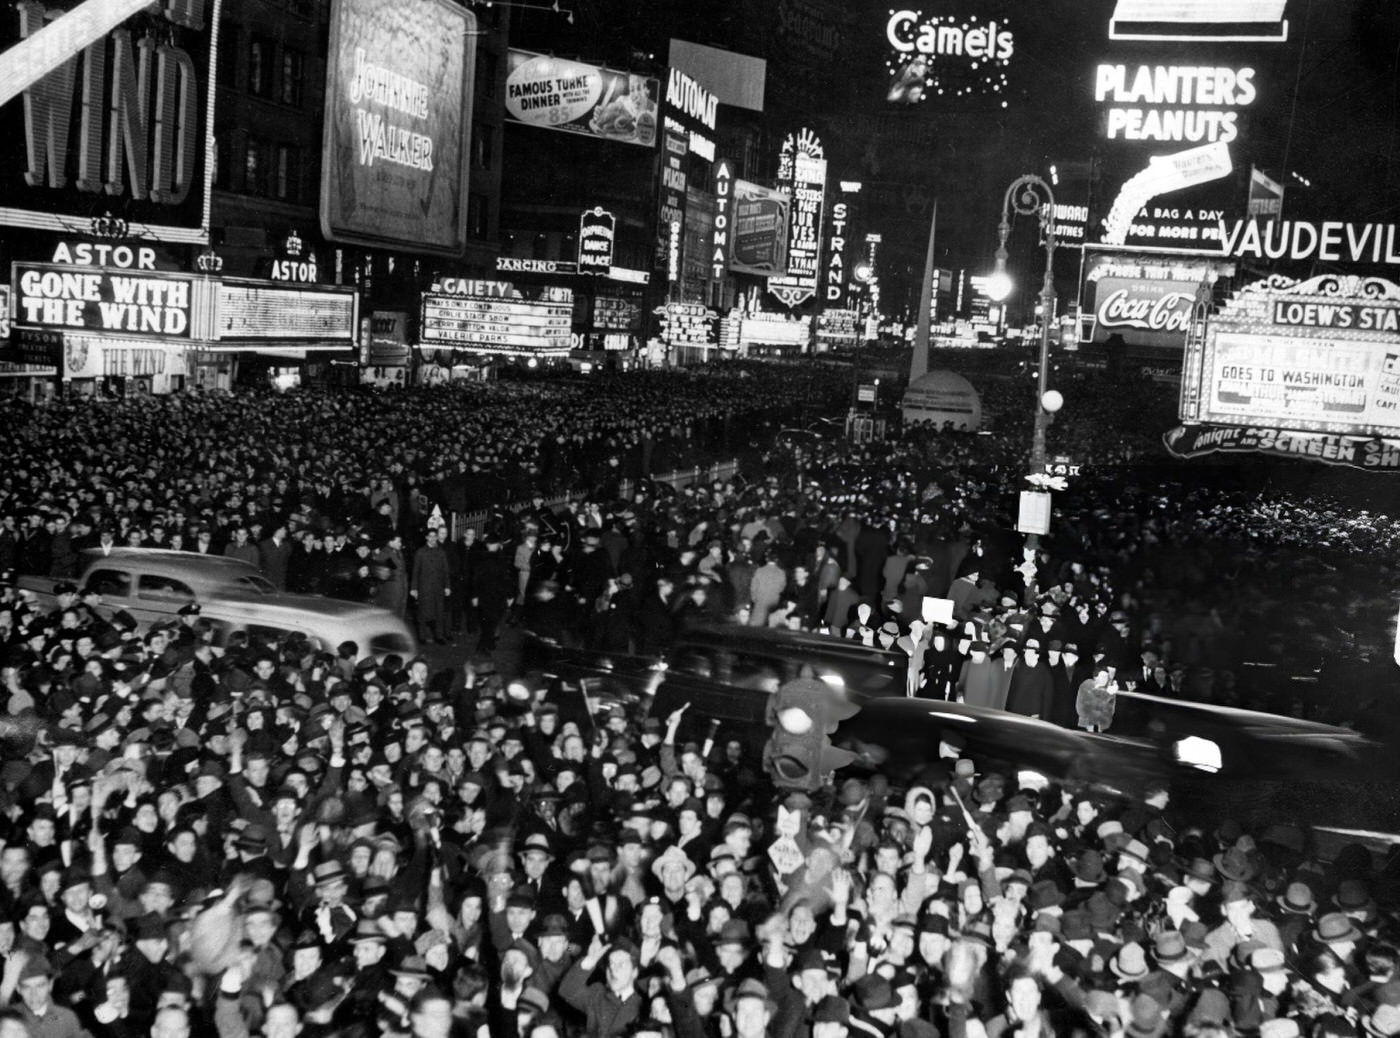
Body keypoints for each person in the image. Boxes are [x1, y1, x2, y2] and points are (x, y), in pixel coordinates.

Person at [411, 528, 453, 645]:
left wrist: (447, 586)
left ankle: (438, 636)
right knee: (423, 612)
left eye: (435, 536)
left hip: (438, 587)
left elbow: (445, 571)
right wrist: (414, 588)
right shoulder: (420, 552)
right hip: (424, 587)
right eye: (430, 536)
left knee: (439, 612)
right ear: (426, 537)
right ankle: (422, 636)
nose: (433, 538)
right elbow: (415, 571)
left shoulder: (441, 552)